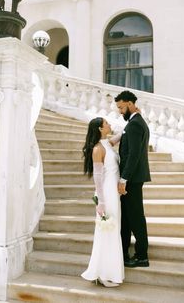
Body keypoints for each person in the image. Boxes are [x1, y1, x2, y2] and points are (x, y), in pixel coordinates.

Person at [81, 117, 124, 287]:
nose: (110, 125)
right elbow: (98, 178)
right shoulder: (97, 149)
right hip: (106, 194)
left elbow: (118, 136)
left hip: (113, 193)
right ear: (100, 128)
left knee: (113, 231)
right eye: (107, 124)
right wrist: (101, 202)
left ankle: (106, 272)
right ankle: (103, 274)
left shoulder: (106, 143)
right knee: (107, 232)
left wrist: (131, 125)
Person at [115, 90, 151, 268]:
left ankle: (142, 256)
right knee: (129, 217)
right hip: (134, 178)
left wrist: (123, 179)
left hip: (133, 179)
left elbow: (134, 154)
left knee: (136, 217)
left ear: (130, 104)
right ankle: (126, 252)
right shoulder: (134, 122)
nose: (120, 111)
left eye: (121, 107)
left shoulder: (135, 124)